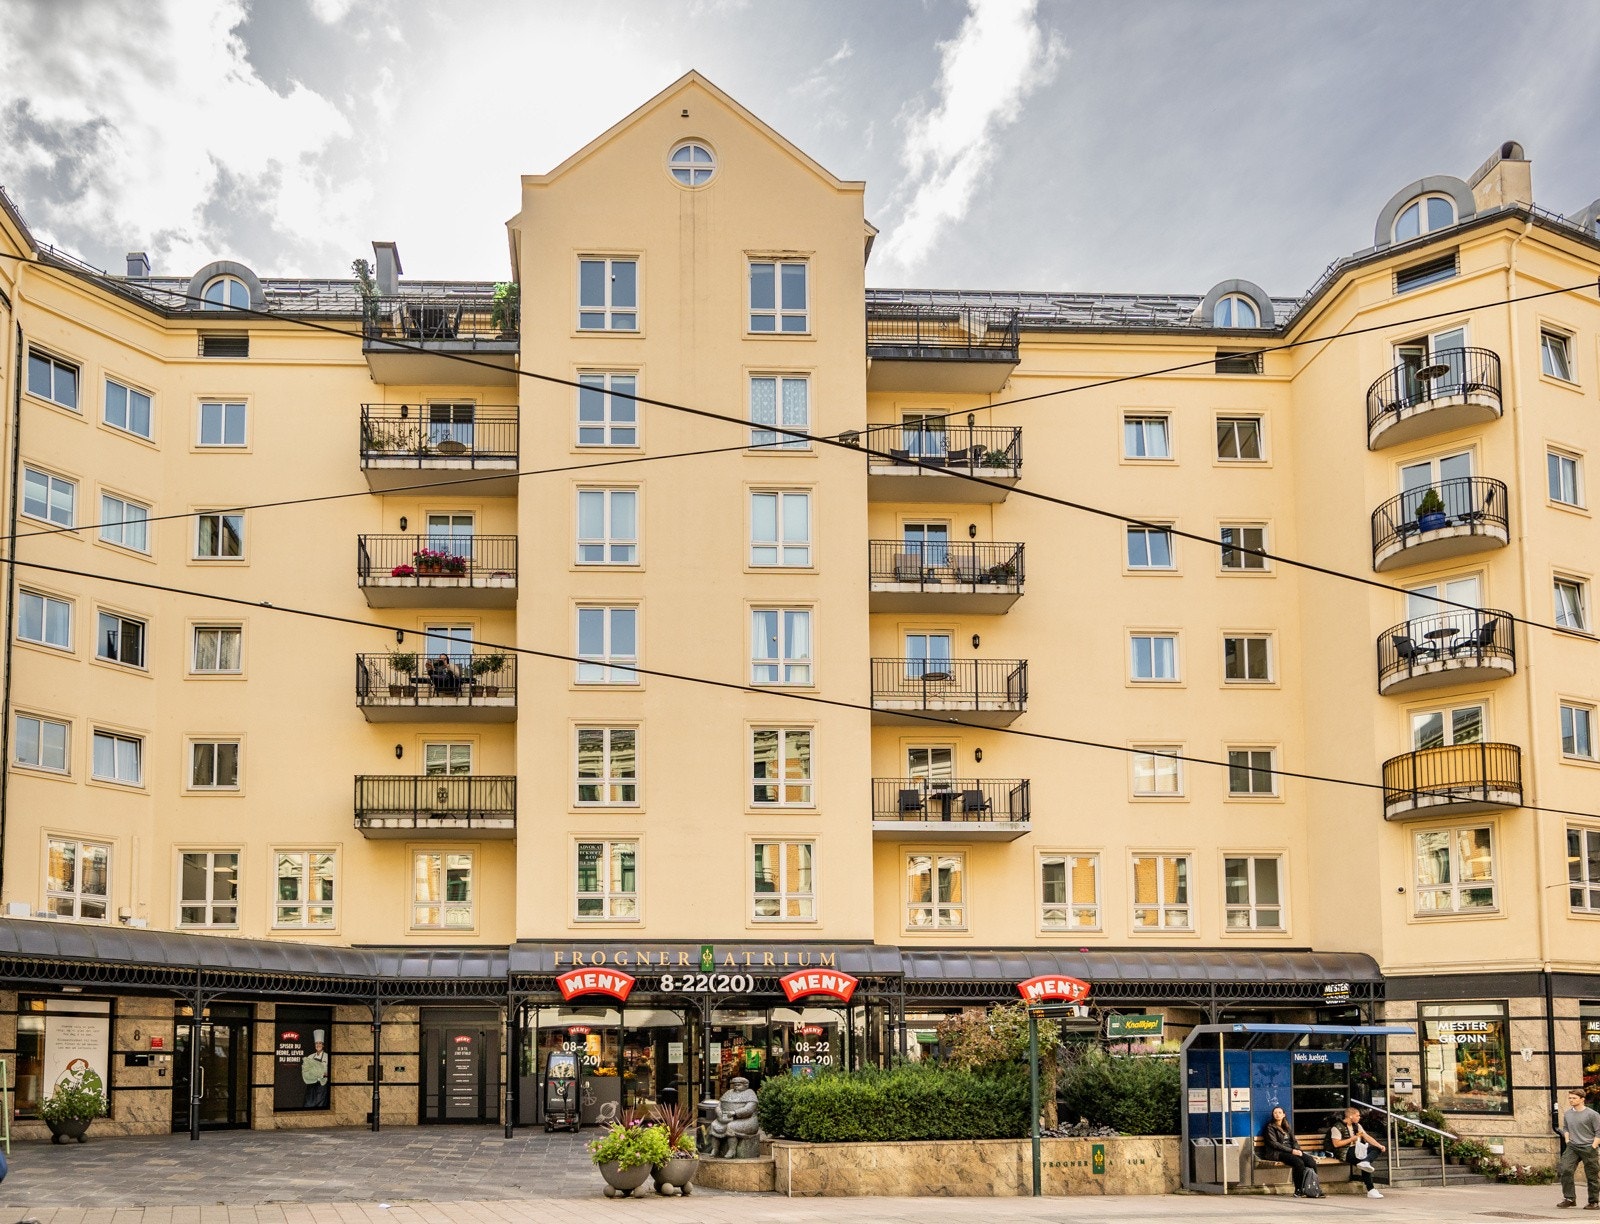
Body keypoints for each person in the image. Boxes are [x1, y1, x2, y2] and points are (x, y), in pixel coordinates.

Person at [1327, 1105, 1386, 1198]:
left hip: (1357, 1149)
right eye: (1357, 1115)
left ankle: (1366, 1161)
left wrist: (1379, 1145)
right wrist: (1352, 1139)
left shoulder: (1357, 1126)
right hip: (1344, 1152)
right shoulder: (1337, 1127)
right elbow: (1336, 1144)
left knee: (1375, 1150)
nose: (1359, 1117)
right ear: (1351, 1116)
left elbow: (1367, 1137)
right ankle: (1371, 1189)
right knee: (1363, 1162)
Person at [1260, 1105, 1320, 1198]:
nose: (1277, 1115)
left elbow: (1294, 1141)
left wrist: (1297, 1150)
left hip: (1291, 1151)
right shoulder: (1270, 1127)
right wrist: (1292, 1151)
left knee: (1311, 1161)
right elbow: (1275, 1144)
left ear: (1284, 1114)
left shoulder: (1287, 1126)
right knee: (1298, 1163)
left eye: (1280, 1113)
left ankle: (1314, 1188)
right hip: (1277, 1153)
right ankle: (1298, 1190)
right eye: (1275, 1113)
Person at [1557, 1087, 1600, 1209]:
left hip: (1588, 1147)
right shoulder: (1568, 1113)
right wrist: (1567, 1140)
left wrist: (1593, 1146)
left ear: (1582, 1099)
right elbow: (1565, 1128)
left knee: (1592, 1175)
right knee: (1565, 1170)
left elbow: (1599, 1132)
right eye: (1570, 1098)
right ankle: (1569, 1198)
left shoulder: (1592, 1114)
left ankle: (1594, 1202)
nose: (1571, 1100)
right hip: (1573, 1147)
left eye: (1574, 1098)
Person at [301, 1030, 330, 1109]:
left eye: (320, 1043)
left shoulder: (327, 1057)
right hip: (311, 1086)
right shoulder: (310, 1057)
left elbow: (328, 1072)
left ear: (323, 1045)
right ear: (314, 1045)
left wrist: (322, 1074)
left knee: (321, 1106)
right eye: (316, 1043)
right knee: (308, 1105)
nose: (318, 1045)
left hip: (322, 1086)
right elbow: (305, 1071)